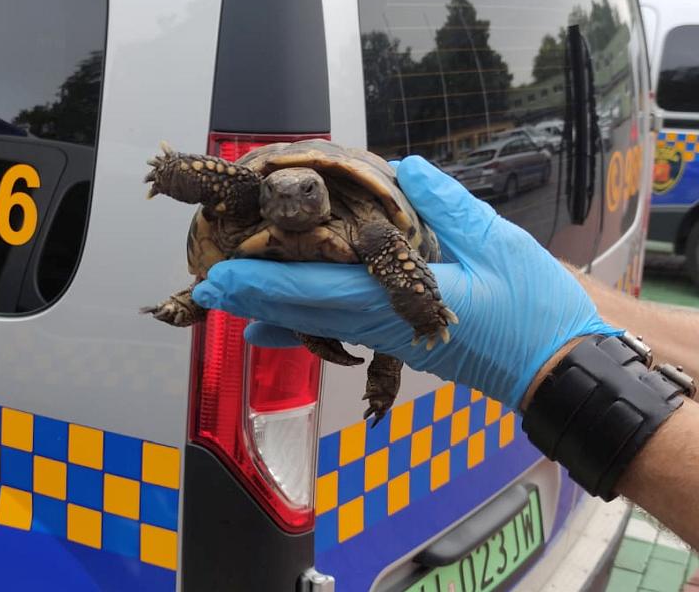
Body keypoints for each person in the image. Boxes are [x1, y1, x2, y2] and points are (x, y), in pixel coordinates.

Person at [191, 155, 699, 548]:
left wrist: (560, 363)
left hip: (374, 242)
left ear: (322, 193)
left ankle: (386, 371)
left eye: (306, 191)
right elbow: (234, 190)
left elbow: (391, 249)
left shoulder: (370, 225)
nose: (289, 201)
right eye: (275, 194)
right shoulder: (260, 198)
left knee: (390, 298)